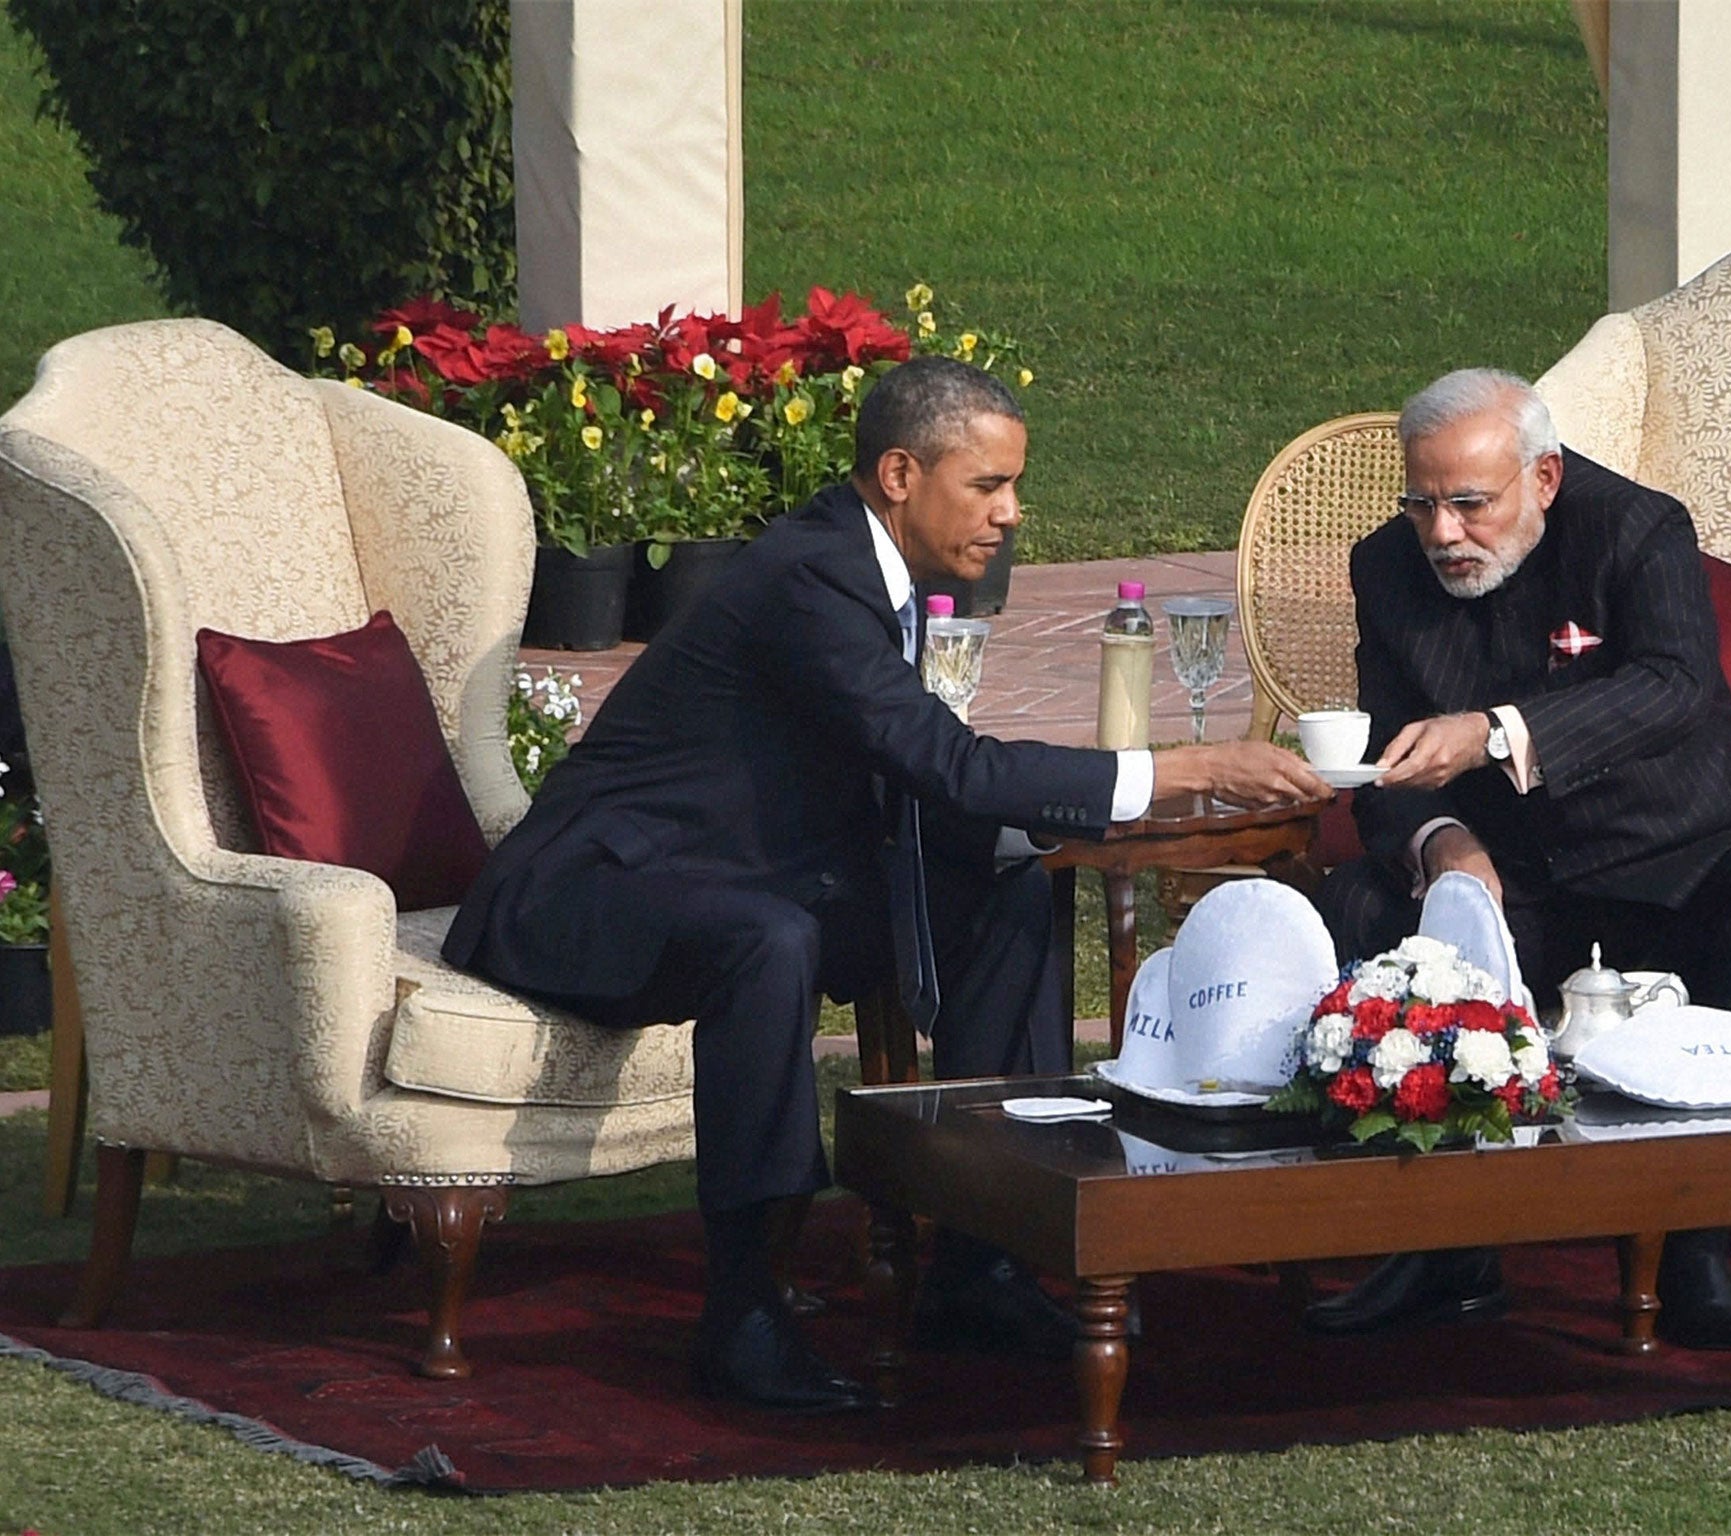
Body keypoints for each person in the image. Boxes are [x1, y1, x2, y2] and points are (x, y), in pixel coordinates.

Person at [444, 356, 1329, 1412]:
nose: (1012, 512)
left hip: (733, 873)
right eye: (987, 485)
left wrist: (1038, 830)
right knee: (763, 940)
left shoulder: (873, 570)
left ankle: (981, 1261)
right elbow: (945, 765)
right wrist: (1180, 769)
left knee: (1003, 893)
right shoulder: (811, 577)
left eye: (1013, 485)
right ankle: (743, 1313)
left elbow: (925, 783)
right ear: (902, 474)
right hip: (582, 894)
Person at [1309, 368, 1731, 1352]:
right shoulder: (1384, 566)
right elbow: (1385, 758)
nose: (1441, 534)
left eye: (1469, 504)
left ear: (1542, 479)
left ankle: (1695, 1250)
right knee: (1358, 907)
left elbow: (1673, 687)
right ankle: (1437, 1247)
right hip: (1513, 881)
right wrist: (1443, 844)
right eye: (1420, 503)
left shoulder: (1635, 530)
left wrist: (1497, 733)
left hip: (1681, 854)